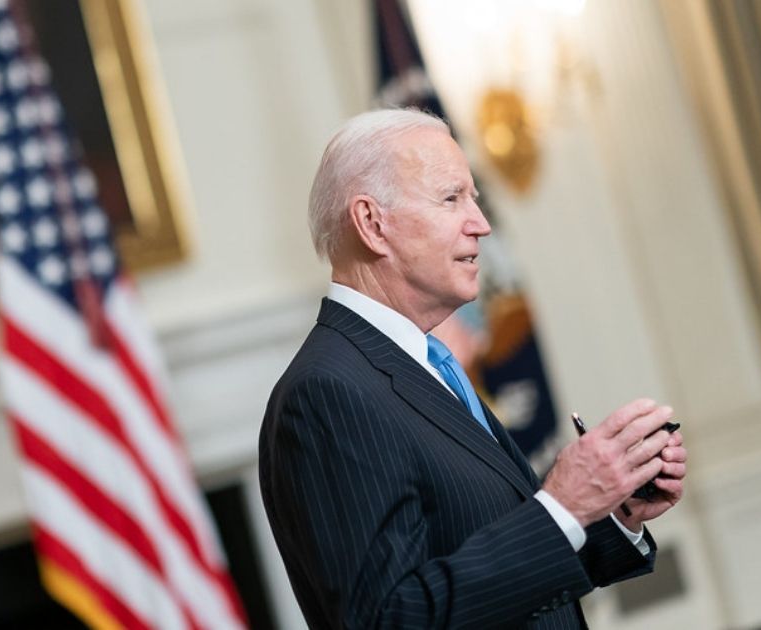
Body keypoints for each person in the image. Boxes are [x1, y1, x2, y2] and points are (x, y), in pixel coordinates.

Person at [258, 109, 688, 629]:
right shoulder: (327, 393)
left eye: (475, 200)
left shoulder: (428, 363)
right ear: (373, 224)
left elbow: (499, 563)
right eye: (451, 198)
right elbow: (389, 620)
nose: (481, 225)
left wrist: (609, 510)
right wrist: (563, 504)